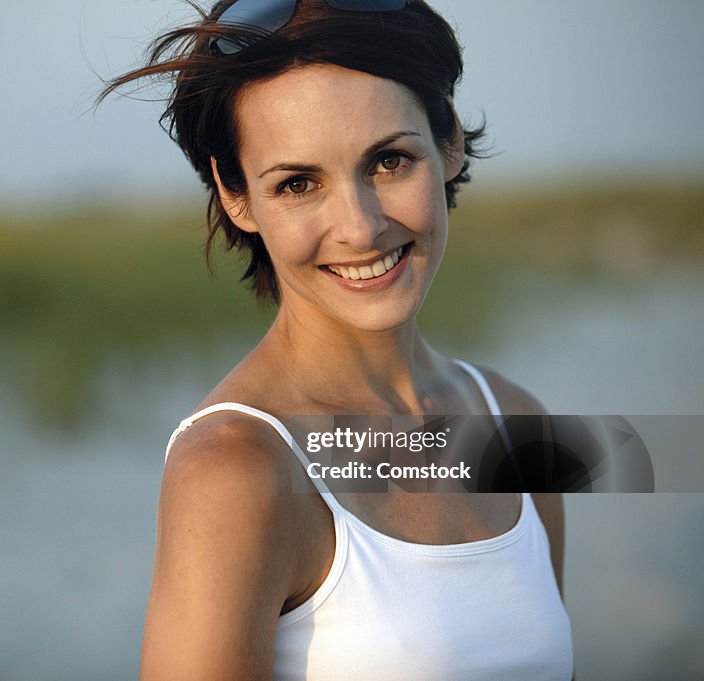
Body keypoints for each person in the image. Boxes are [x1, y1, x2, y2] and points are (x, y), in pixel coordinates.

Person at [102, 1, 573, 679]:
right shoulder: (235, 469)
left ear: (448, 146)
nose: (359, 227)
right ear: (235, 196)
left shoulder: (519, 422)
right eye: (298, 183)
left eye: (388, 161)